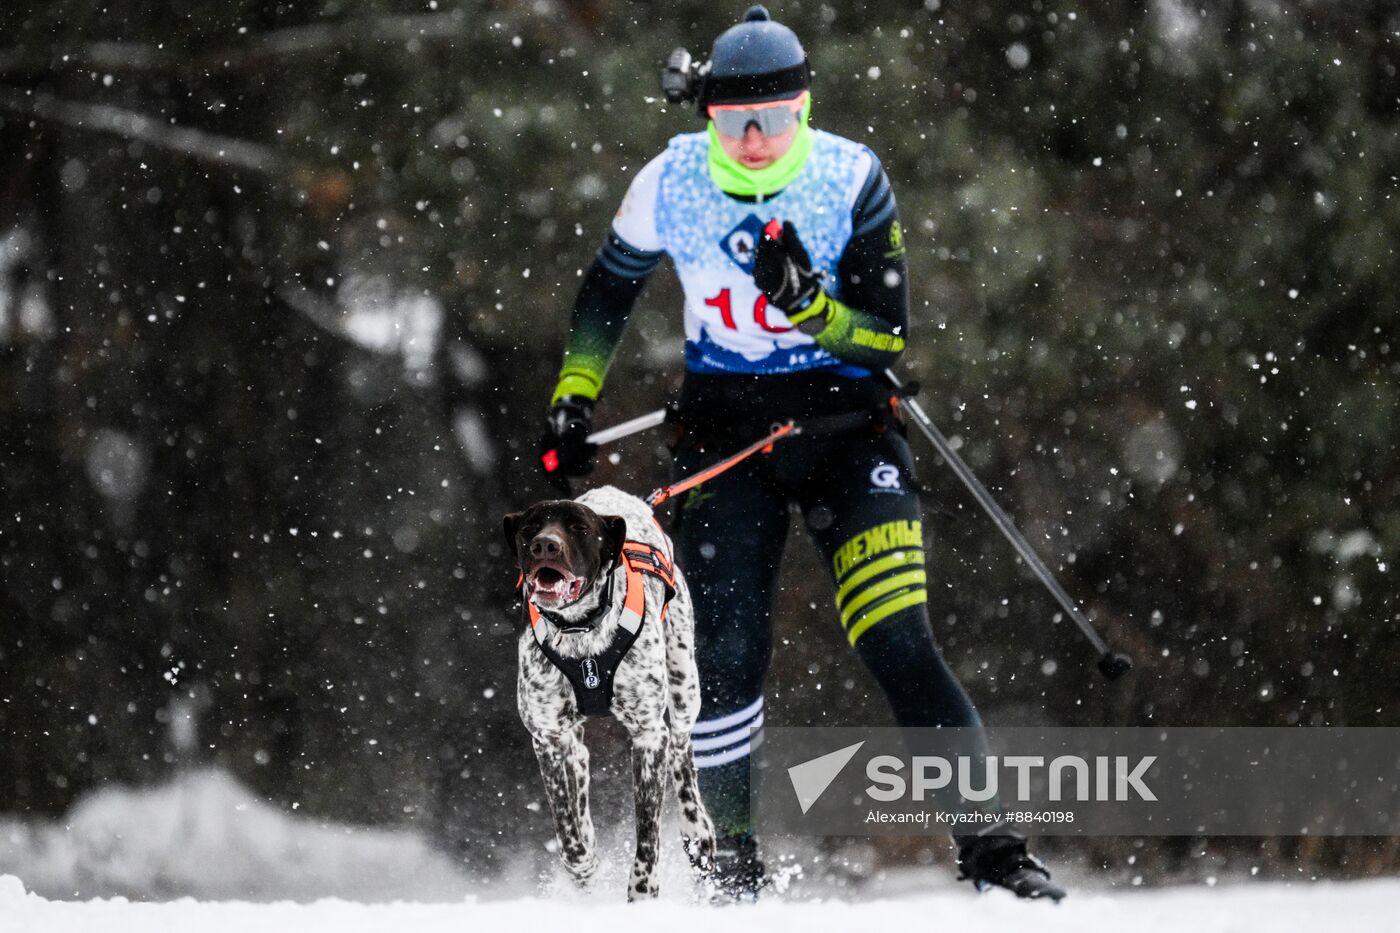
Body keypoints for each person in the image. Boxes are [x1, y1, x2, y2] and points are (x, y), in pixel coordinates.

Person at [538, 5, 1064, 902]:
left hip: (845, 433)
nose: (753, 139)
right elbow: (607, 291)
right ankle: (731, 862)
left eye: (775, 119)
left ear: (805, 111)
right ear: (705, 113)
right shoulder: (669, 181)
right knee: (728, 655)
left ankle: (991, 848)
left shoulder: (850, 176)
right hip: (724, 434)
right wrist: (573, 394)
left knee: (898, 637)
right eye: (734, 120)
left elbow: (884, 338)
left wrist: (813, 309)